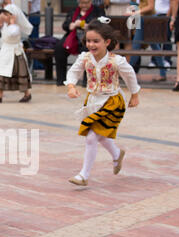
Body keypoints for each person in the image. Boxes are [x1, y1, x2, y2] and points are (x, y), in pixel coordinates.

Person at [65, 17, 140, 186]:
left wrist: (134, 95)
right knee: (100, 134)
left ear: (107, 42)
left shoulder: (116, 61)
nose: (91, 45)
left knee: (92, 137)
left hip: (112, 102)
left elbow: (130, 75)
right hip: (92, 101)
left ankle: (83, 175)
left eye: (96, 41)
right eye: (89, 41)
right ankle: (116, 154)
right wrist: (71, 86)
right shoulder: (85, 58)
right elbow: (73, 72)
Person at [0, 4, 33, 103]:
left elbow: (12, 33)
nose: (4, 16)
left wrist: (12, 22)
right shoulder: (5, 25)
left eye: (6, 14)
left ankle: (27, 93)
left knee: (19, 74)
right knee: (1, 73)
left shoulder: (15, 27)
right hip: (5, 52)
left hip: (15, 54)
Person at [54, 0, 105, 86]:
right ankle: (61, 80)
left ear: (91, 2)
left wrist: (88, 26)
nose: (84, 5)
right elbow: (65, 25)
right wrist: (71, 25)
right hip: (73, 37)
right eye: (81, 3)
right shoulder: (73, 11)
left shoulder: (98, 11)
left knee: (89, 49)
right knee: (59, 48)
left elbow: (102, 26)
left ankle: (87, 81)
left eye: (86, 3)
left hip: (89, 38)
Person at [126, 0, 168, 82]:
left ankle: (128, 73)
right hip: (145, 18)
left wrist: (135, 12)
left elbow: (150, 7)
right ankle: (163, 73)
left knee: (136, 46)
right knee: (153, 46)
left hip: (147, 19)